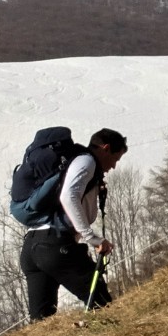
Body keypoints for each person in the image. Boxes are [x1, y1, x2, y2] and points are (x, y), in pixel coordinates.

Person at [20, 127, 127, 321]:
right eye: (115, 159)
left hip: (32, 248)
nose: (113, 167)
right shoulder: (86, 161)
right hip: (55, 245)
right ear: (105, 148)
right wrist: (92, 238)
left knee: (42, 324)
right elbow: (68, 196)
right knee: (101, 303)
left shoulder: (75, 163)